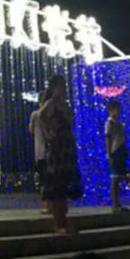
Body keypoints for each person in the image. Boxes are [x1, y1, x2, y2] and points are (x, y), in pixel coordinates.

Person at [39, 75, 82, 234]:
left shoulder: (64, 104)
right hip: (58, 148)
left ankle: (63, 222)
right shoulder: (52, 103)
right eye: (60, 86)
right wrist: (49, 132)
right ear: (54, 88)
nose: (63, 89)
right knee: (58, 186)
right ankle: (59, 224)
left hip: (66, 147)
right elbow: (41, 116)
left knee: (64, 186)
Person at [105, 100, 130, 213]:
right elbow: (108, 138)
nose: (118, 112)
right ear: (111, 111)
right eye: (116, 110)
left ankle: (118, 203)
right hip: (114, 151)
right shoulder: (109, 123)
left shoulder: (119, 123)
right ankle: (115, 204)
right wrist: (109, 153)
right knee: (114, 178)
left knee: (118, 178)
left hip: (120, 151)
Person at [29, 90, 51, 214]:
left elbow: (31, 130)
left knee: (44, 180)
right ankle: (52, 205)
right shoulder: (50, 115)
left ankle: (46, 205)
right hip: (50, 150)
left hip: (40, 151)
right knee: (51, 179)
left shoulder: (35, 115)